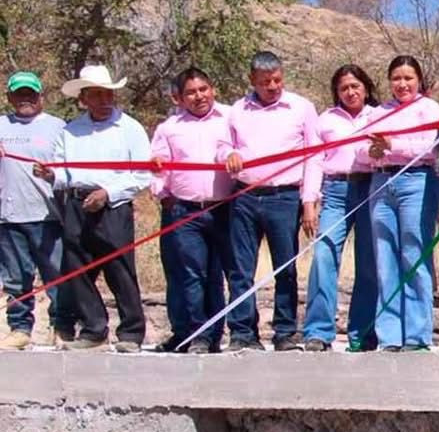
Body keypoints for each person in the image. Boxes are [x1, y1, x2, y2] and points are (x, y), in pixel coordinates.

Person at [32, 65, 150, 352]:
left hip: (114, 207)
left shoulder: (130, 128)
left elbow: (143, 174)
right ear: (83, 98)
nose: (104, 99)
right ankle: (94, 329)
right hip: (76, 204)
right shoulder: (71, 131)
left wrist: (107, 193)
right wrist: (52, 176)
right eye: (96, 94)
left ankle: (131, 333)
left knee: (120, 269)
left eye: (107, 93)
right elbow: (63, 170)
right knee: (78, 268)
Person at [222, 51, 319, 351]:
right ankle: (242, 333)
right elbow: (223, 143)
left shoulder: (301, 108)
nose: (273, 86)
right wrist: (228, 154)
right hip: (244, 197)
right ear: (252, 80)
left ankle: (285, 332)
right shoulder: (237, 110)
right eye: (265, 82)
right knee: (241, 268)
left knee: (285, 268)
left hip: (285, 198)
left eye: (277, 80)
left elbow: (314, 157)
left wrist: (309, 201)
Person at [149, 67, 232, 354]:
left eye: (203, 89)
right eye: (191, 93)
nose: (199, 96)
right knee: (190, 274)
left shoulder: (230, 118)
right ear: (179, 98)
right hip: (185, 212)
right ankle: (197, 334)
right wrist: (162, 194)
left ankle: (215, 335)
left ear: (213, 89)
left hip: (224, 209)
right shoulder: (169, 128)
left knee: (217, 275)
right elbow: (157, 166)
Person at [366, 55, 439, 351]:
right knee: (385, 258)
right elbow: (363, 147)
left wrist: (392, 145)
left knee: (415, 254)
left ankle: (417, 335)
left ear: (419, 80)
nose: (402, 84)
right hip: (381, 182)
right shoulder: (378, 112)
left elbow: (430, 147)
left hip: (417, 181)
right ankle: (389, 336)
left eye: (408, 78)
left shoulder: (429, 108)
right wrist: (373, 150)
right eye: (396, 78)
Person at [301, 64, 381, 353]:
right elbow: (314, 161)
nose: (350, 92)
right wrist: (309, 202)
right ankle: (318, 332)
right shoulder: (325, 120)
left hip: (372, 187)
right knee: (324, 255)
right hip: (335, 192)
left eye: (355, 86)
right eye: (344, 87)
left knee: (369, 262)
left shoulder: (380, 115)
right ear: (336, 91)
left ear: (366, 87)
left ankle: (363, 333)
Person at [0, 70, 71, 350]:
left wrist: (52, 174)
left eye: (30, 93)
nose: (25, 98)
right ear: (9, 97)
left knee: (57, 276)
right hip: (8, 216)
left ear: (41, 96)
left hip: (48, 216)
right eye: (19, 94)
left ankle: (62, 327)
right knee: (16, 279)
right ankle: (20, 329)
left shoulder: (58, 127)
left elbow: (69, 168)